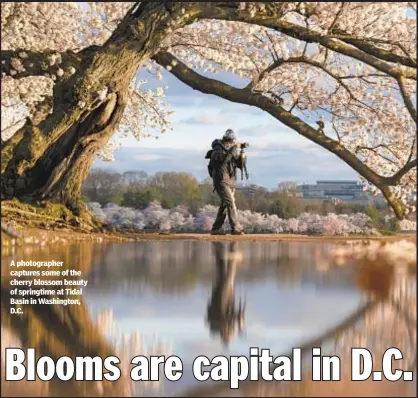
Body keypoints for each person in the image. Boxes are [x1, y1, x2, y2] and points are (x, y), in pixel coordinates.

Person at [207, 129, 245, 235]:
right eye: (231, 142)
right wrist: (233, 149)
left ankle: (216, 228)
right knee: (230, 203)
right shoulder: (217, 149)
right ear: (227, 140)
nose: (232, 144)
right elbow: (223, 160)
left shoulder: (230, 149)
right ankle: (236, 228)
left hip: (230, 181)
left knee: (225, 205)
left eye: (233, 142)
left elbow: (238, 165)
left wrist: (241, 155)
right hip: (221, 181)